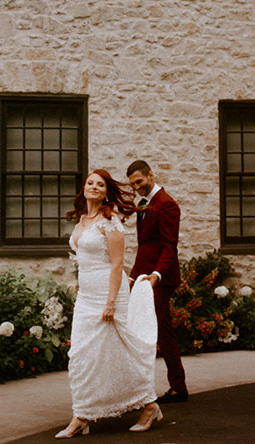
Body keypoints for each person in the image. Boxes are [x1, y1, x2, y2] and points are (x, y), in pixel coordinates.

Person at [56, 169, 164, 438]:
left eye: (100, 184)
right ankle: (82, 414)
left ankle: (149, 405)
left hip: (109, 294)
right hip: (86, 297)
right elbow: (82, 261)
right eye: (90, 183)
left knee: (119, 354)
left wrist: (111, 302)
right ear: (84, 188)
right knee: (80, 356)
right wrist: (80, 290)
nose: (94, 187)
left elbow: (117, 264)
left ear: (106, 191)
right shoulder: (82, 220)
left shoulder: (110, 220)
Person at [127, 160, 188, 404]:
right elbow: (146, 247)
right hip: (146, 276)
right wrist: (133, 274)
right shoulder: (143, 204)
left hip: (161, 279)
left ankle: (142, 392)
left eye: (139, 182)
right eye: (133, 185)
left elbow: (168, 246)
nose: (137, 187)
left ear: (151, 175)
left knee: (146, 332)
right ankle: (178, 387)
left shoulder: (167, 204)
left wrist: (157, 275)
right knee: (163, 333)